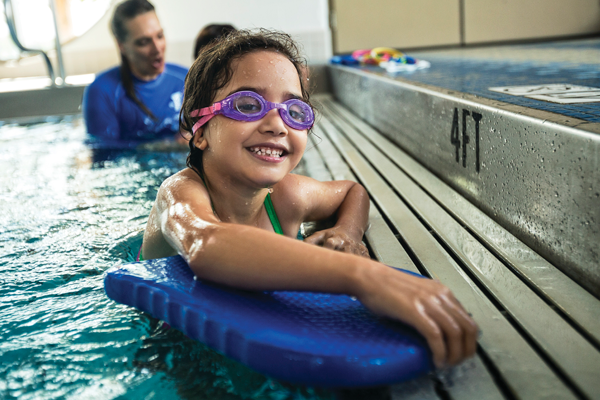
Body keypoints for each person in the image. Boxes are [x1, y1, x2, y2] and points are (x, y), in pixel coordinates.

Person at [141, 29, 478, 369]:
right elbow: (206, 244)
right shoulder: (180, 192)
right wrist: (362, 275)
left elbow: (351, 192)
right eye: (247, 105)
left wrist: (347, 232)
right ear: (200, 132)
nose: (277, 124)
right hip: (172, 344)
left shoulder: (285, 196)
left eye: (295, 111)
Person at [82, 0, 188, 147]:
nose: (157, 48)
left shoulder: (187, 79)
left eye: (160, 36)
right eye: (144, 42)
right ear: (122, 46)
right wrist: (162, 147)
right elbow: (102, 153)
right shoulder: (103, 91)